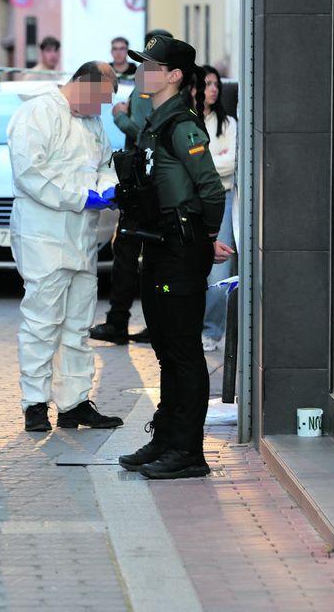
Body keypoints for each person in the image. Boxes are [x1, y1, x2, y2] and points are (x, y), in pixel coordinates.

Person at [113, 34, 233, 480]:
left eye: (151, 65)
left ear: (175, 76)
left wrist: (204, 238)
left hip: (180, 251)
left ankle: (188, 450)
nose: (142, 70)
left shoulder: (182, 125)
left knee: (183, 351)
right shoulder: (155, 122)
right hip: (157, 245)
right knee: (165, 348)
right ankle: (165, 438)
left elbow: (211, 188)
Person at [8, 61, 126, 433]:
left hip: (81, 238)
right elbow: (31, 173)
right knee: (42, 322)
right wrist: (83, 195)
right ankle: (35, 403)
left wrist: (106, 186)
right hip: (44, 236)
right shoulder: (37, 113)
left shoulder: (91, 122)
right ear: (82, 84)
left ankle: (74, 402)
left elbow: (106, 162)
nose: (103, 108)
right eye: (101, 99)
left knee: (77, 324)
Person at [89, 27, 173, 345]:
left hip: (140, 183)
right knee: (149, 254)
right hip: (156, 182)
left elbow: (141, 133)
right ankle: (153, 320)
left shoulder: (145, 88)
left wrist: (120, 117)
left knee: (126, 251)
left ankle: (118, 322)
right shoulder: (168, 89)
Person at [201, 66, 237, 351]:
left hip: (222, 199)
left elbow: (232, 162)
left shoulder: (228, 124)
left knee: (219, 272)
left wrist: (202, 163)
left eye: (216, 84)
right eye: (207, 83)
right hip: (193, 202)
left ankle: (213, 331)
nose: (213, 89)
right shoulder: (186, 123)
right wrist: (216, 160)